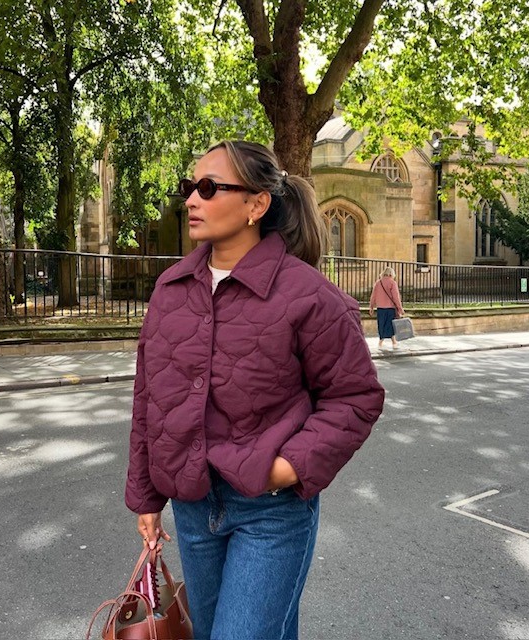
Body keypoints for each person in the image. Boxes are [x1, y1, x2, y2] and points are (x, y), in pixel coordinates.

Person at [126, 140, 385, 640]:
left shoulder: (310, 296)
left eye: (208, 188)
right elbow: (149, 398)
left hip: (270, 511)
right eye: (189, 188)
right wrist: (146, 496)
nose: (192, 200)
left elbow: (355, 397)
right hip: (193, 505)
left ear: (256, 205)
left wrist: (285, 469)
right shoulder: (171, 289)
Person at [368, 266, 405, 349]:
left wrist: (371, 307)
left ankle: (381, 342)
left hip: (380, 308)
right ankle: (393, 342)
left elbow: (373, 296)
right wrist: (400, 308)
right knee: (390, 325)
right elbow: (396, 297)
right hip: (390, 308)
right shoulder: (392, 283)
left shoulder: (378, 283)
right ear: (392, 274)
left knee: (381, 324)